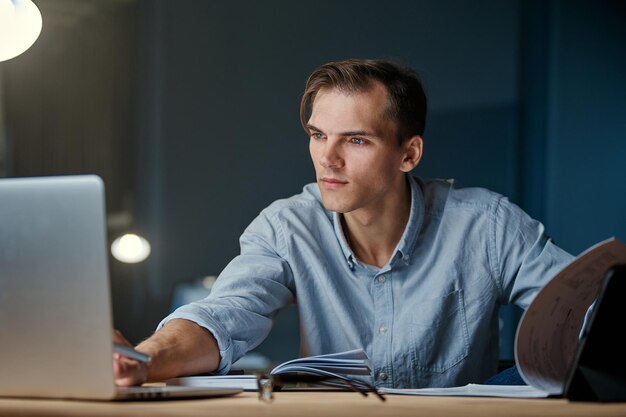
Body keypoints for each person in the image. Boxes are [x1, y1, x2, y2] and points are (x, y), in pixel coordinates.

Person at [113, 58, 573, 389]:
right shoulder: (286, 227)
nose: (327, 158)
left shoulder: (486, 224)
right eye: (318, 135)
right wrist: (143, 359)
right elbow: (224, 316)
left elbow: (584, 314)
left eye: (355, 139)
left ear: (409, 154)